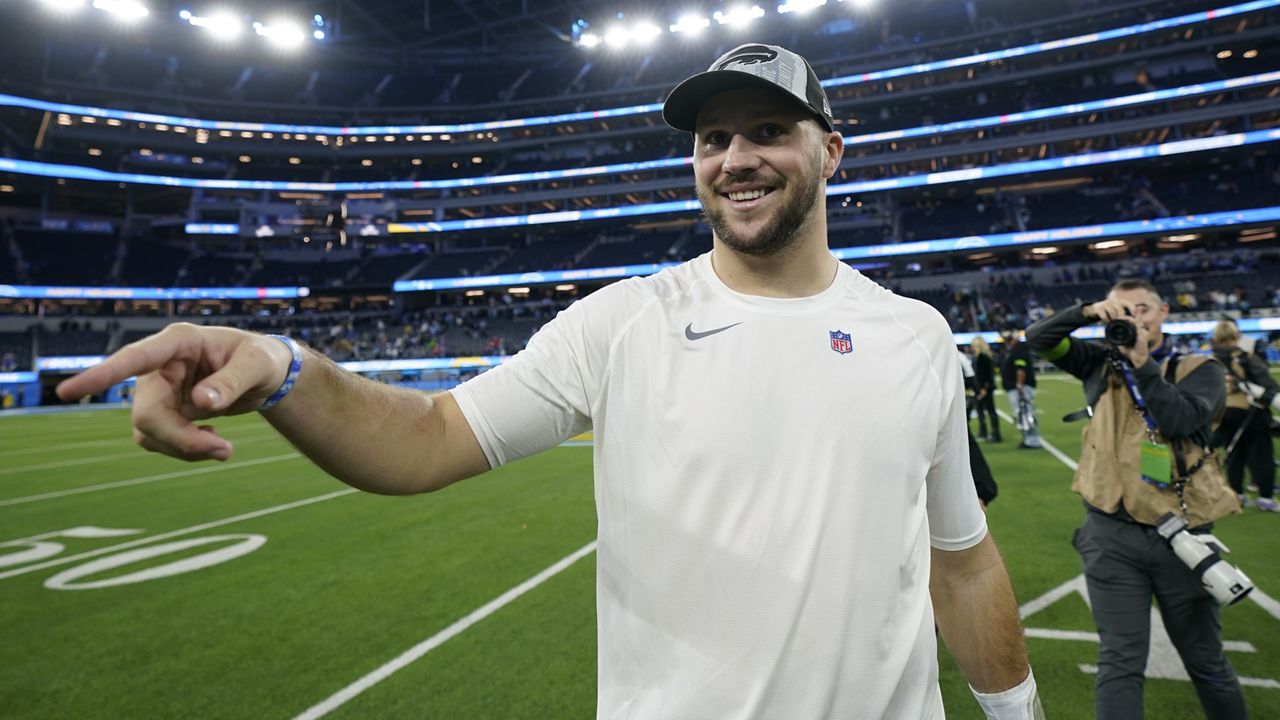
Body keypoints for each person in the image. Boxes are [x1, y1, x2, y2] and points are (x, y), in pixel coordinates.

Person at [57, 44, 1043, 719]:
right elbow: (427, 435)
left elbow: (961, 562)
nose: (735, 158)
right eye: (712, 139)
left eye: (767, 132)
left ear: (829, 150)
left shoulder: (915, 336)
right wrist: (280, 364)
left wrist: (1017, 711)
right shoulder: (626, 322)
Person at [1026, 279, 1246, 720]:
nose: (1134, 319)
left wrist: (1144, 364)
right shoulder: (1097, 363)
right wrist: (1087, 312)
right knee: (1119, 663)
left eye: (1142, 309)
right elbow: (1039, 340)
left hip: (1181, 536)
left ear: (1163, 311)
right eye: (1123, 311)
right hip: (1109, 533)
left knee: (1205, 662)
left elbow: (1181, 419)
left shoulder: (1198, 368)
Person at [1210, 318, 1279, 512]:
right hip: (1251, 410)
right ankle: (1266, 498)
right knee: (1262, 455)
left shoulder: (1212, 359)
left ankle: (1237, 495)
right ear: (1235, 335)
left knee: (1235, 455)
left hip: (1224, 411)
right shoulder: (1244, 356)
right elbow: (1268, 384)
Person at [1000, 328, 1042, 448]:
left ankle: (1032, 440)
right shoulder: (1016, 348)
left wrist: (1019, 384)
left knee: (1026, 412)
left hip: (1021, 387)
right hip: (1018, 386)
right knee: (1022, 413)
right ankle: (1028, 439)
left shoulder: (1019, 348)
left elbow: (1020, 367)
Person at [972, 336, 1002, 442]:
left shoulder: (983, 358)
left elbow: (988, 375)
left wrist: (984, 388)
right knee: (981, 410)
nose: (972, 348)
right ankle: (983, 431)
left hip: (985, 388)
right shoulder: (982, 357)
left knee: (990, 410)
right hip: (981, 388)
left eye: (974, 346)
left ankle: (996, 433)